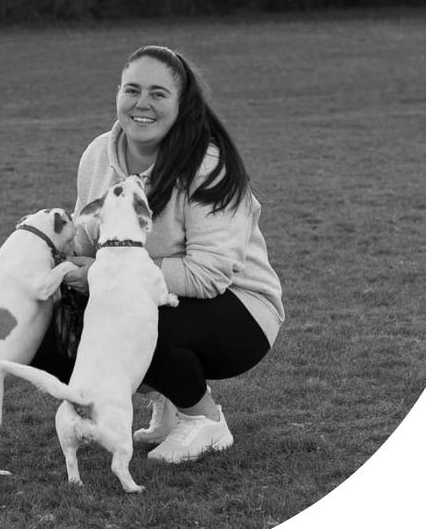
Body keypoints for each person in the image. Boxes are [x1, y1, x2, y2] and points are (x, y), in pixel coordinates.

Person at [30, 45, 284, 463]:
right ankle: (167, 396)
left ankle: (206, 420)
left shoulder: (208, 164)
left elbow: (208, 275)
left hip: (240, 311)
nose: (141, 104)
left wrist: (102, 276)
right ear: (117, 93)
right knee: (48, 322)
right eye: (132, 90)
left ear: (182, 104)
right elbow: (88, 235)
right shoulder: (98, 154)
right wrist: (44, 257)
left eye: (158, 93)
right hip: (150, 294)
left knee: (134, 313)